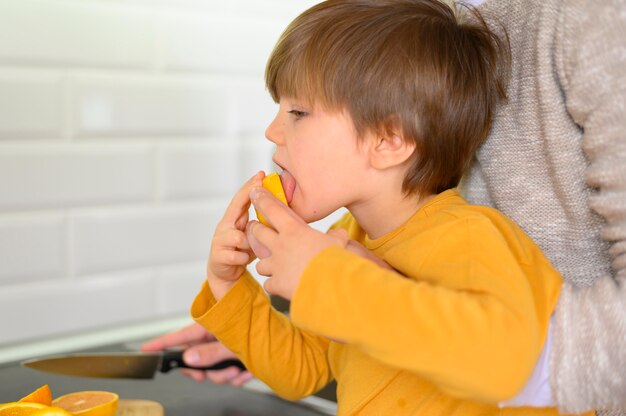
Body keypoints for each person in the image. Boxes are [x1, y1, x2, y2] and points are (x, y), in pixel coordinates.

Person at [142, 0, 626, 413]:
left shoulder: (473, 237)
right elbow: (303, 369)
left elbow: (508, 363)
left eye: (298, 112)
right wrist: (230, 288)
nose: (272, 131)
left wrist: (325, 279)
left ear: (390, 140)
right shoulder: (349, 237)